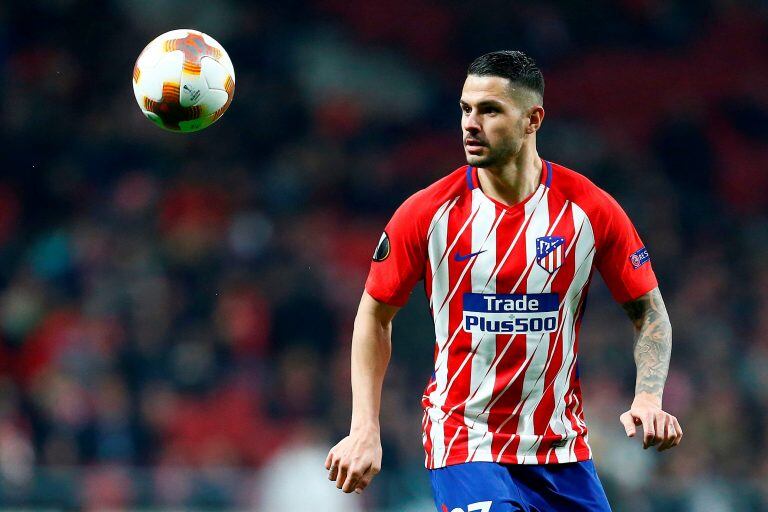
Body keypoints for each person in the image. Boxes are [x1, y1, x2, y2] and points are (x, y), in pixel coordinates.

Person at [325, 50, 682, 511]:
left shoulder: (590, 210)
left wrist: (649, 398)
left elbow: (649, 311)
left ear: (533, 119)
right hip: (466, 442)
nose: (470, 123)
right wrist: (364, 428)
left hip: (561, 449)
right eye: (465, 109)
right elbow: (374, 315)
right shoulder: (426, 213)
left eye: (490, 110)